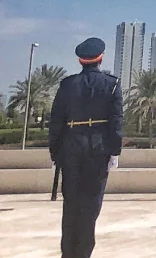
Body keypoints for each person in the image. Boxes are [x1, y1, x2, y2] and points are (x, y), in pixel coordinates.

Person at [48, 37, 123, 258]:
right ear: (100, 59)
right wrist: (115, 151)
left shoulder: (67, 85)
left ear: (81, 61)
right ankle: (83, 252)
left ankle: (68, 252)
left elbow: (56, 121)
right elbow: (116, 120)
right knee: (91, 204)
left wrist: (55, 151)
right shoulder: (112, 84)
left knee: (71, 203)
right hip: (98, 149)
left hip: (71, 148)